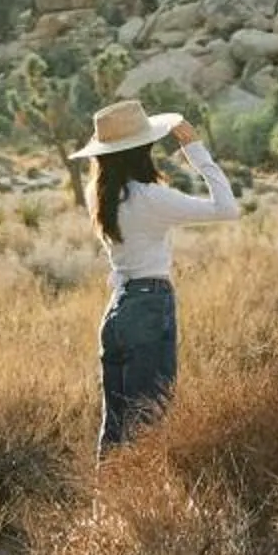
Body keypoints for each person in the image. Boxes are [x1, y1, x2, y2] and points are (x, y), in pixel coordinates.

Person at [70, 97, 240, 453]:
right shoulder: (150, 197)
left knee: (114, 426)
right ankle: (139, 492)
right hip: (148, 307)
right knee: (148, 425)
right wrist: (196, 151)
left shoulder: (97, 194)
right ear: (142, 150)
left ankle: (107, 492)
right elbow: (227, 208)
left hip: (116, 311)